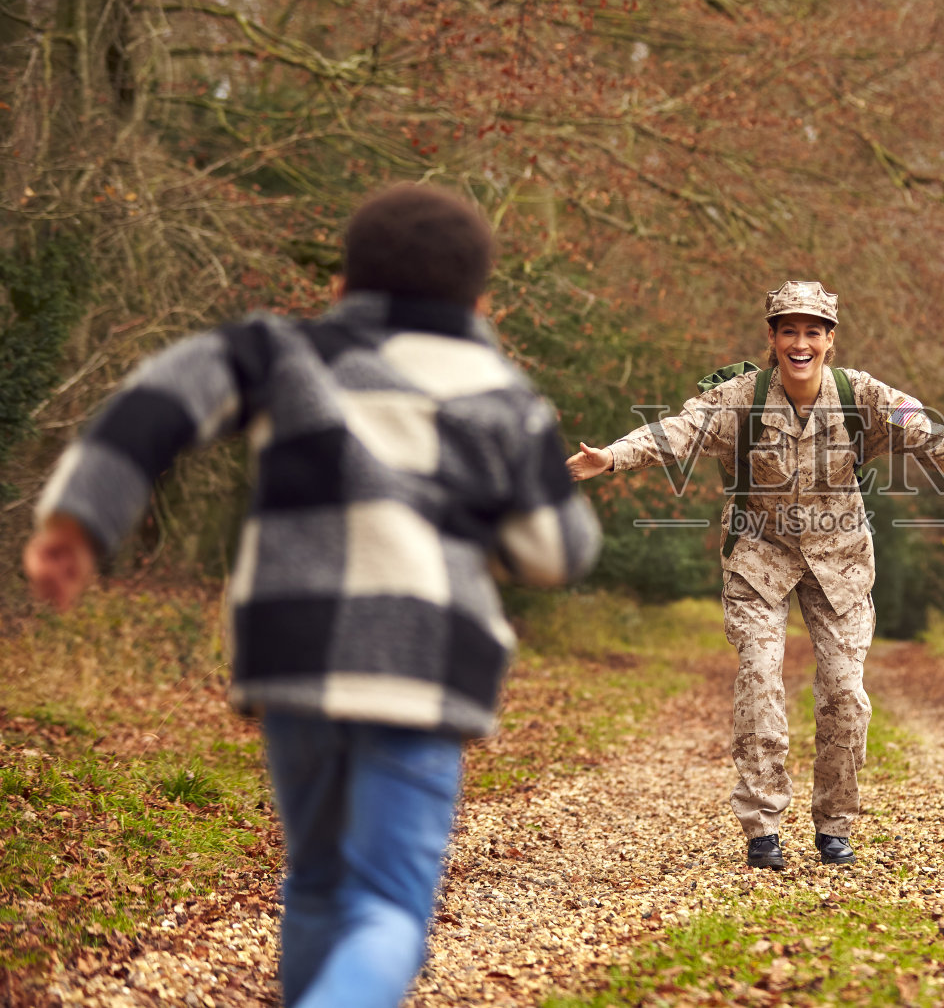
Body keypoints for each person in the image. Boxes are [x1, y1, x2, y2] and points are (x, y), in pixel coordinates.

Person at [22, 184, 601, 1008]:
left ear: (340, 287)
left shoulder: (284, 352)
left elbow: (161, 396)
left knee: (320, 881)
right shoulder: (501, 395)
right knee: (388, 906)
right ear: (482, 301)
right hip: (420, 670)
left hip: (295, 660)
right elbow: (554, 551)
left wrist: (80, 519)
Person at [567, 280, 944, 868]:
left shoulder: (864, 397)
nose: (801, 343)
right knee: (759, 678)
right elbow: (677, 430)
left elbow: (931, 435)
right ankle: (763, 829)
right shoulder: (739, 398)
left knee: (846, 696)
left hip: (841, 562)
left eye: (813, 332)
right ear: (772, 339)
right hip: (759, 557)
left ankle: (834, 825)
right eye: (789, 331)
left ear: (830, 340)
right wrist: (614, 456)